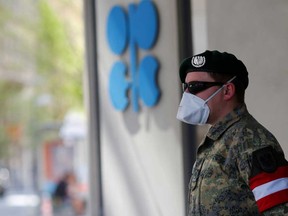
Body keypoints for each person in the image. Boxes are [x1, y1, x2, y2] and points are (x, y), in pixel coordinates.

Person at [176, 50, 288, 215]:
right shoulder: (216, 141)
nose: (186, 94)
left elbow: (280, 211)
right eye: (185, 87)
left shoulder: (250, 139)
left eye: (194, 87)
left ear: (227, 90)